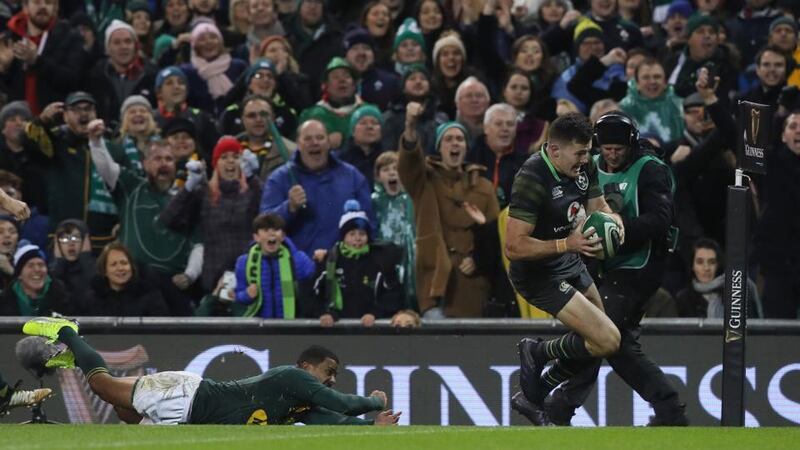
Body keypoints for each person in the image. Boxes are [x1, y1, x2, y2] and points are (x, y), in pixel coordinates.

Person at [526, 111, 688, 427]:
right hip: (599, 264)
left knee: (601, 332)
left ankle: (548, 384)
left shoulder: (651, 170)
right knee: (614, 341)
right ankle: (669, 410)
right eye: (606, 149)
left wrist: (616, 230)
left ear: (632, 144)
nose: (611, 155)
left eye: (619, 149)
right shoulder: (590, 167)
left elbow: (660, 220)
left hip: (640, 266)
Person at [23, 317, 401, 425]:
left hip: (186, 414)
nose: (331, 378)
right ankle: (68, 331)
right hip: (187, 397)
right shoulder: (295, 378)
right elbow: (340, 403)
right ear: (306, 366)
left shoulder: (296, 404)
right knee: (104, 386)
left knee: (127, 416)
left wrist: (372, 427)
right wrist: (372, 401)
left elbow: (331, 422)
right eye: (328, 370)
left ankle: (76, 356)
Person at [504, 112, 625, 422]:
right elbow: (514, 246)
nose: (586, 159)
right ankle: (537, 352)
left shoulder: (585, 167)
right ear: (554, 150)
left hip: (569, 260)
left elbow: (598, 207)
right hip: (537, 274)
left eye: (588, 152)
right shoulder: (531, 178)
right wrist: (566, 245)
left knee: (600, 343)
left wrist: (615, 222)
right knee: (608, 339)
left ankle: (534, 394)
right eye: (580, 153)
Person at [398, 102, 500, 318]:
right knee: (438, 348)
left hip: (472, 282)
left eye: (460, 139)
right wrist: (409, 126)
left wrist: (479, 260)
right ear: (439, 147)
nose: (455, 143)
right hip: (435, 279)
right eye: (449, 139)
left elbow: (494, 234)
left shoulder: (484, 187)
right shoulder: (423, 181)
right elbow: (409, 163)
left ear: (466, 147)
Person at [87, 123, 199, 316]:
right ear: (145, 163)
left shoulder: (189, 195)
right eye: (157, 158)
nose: (163, 163)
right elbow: (107, 168)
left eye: (168, 159)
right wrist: (96, 142)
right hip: (135, 286)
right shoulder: (132, 187)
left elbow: (199, 241)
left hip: (175, 285)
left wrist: (189, 275)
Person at [160, 136, 263, 293]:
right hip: (213, 280)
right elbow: (169, 219)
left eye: (236, 157)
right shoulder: (204, 194)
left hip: (249, 278)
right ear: (216, 164)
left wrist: (252, 178)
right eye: (224, 157)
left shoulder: (252, 192)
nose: (230, 161)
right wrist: (189, 186)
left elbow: (269, 213)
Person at [24, 93, 124, 252]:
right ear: (65, 116)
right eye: (76, 109)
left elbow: (123, 188)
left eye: (88, 108)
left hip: (104, 239)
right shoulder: (55, 144)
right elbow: (29, 145)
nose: (84, 113)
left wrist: (123, 222)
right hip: (65, 236)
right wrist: (42, 120)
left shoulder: (110, 147)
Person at [260, 119, 373, 256]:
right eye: (308, 138)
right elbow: (264, 227)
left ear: (328, 143)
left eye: (320, 137)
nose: (314, 143)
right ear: (298, 144)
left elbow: (369, 223)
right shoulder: (279, 179)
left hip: (345, 265)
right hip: (297, 267)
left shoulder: (352, 176)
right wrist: (289, 208)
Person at [316, 200, 404, 327]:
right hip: (336, 329)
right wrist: (324, 313)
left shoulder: (381, 260)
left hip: (372, 328)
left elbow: (394, 295)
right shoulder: (330, 261)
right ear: (343, 237)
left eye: (362, 234)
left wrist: (375, 314)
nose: (357, 238)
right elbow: (314, 294)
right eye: (352, 234)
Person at [233, 213, 316, 318]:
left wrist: (320, 260)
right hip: (258, 329)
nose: (271, 234)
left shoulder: (298, 259)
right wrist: (247, 295)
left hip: (290, 328)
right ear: (256, 237)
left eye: (276, 230)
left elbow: (316, 283)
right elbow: (237, 296)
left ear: (283, 236)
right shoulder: (243, 263)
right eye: (266, 230)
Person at [371, 151, 416, 310]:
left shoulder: (412, 200)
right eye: (386, 169)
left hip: (409, 257)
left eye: (396, 168)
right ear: (377, 177)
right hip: (384, 259)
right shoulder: (374, 201)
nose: (392, 172)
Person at [676, 238, 762, 319]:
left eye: (712, 262)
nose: (706, 268)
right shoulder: (683, 298)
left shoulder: (736, 291)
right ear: (692, 266)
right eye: (700, 262)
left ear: (718, 265)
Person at [84, 242, 169, 316]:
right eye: (114, 264)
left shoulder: (150, 296)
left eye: (124, 263)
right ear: (105, 271)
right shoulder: (92, 299)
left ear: (132, 267)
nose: (120, 268)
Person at [0, 244, 72, 316]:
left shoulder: (62, 297)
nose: (37, 269)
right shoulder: (4, 301)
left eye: (41, 265)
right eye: (30, 265)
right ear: (19, 275)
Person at [49, 219, 95, 301]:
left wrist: (86, 258)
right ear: (57, 243)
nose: (71, 243)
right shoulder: (48, 270)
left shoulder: (97, 268)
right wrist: (59, 261)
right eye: (64, 239)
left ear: (85, 241)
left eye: (76, 238)